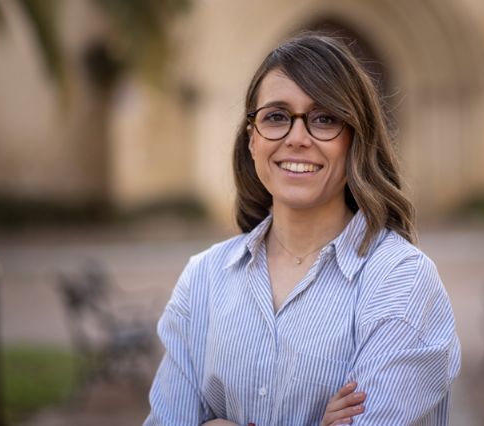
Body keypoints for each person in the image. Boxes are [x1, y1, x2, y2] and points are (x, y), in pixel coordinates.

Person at [144, 33, 460, 425]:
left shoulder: (401, 282)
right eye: (276, 117)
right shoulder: (203, 280)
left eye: (324, 119)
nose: (297, 138)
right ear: (252, 140)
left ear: (355, 140)